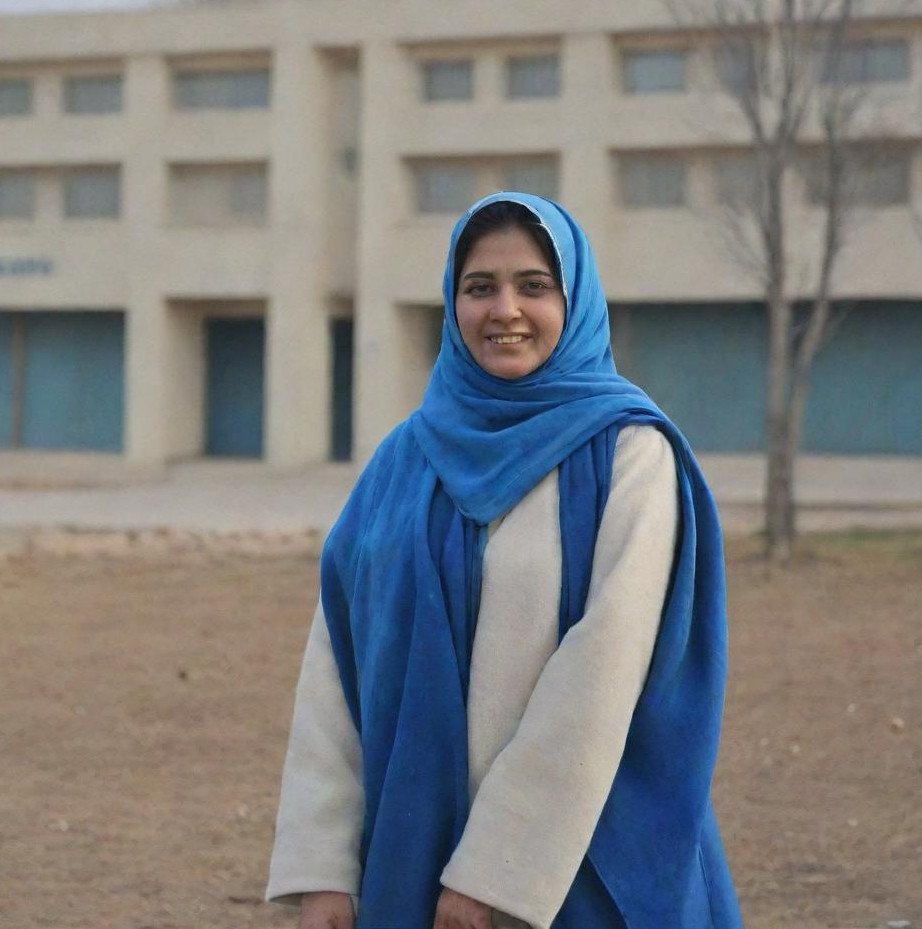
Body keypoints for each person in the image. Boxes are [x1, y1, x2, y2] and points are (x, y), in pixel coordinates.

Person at [266, 191, 742, 929]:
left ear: (574, 298)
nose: (505, 310)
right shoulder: (404, 459)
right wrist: (322, 866)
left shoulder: (628, 456)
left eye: (534, 286)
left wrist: (496, 872)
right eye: (479, 287)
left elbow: (602, 672)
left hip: (580, 869)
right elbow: (338, 664)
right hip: (411, 855)